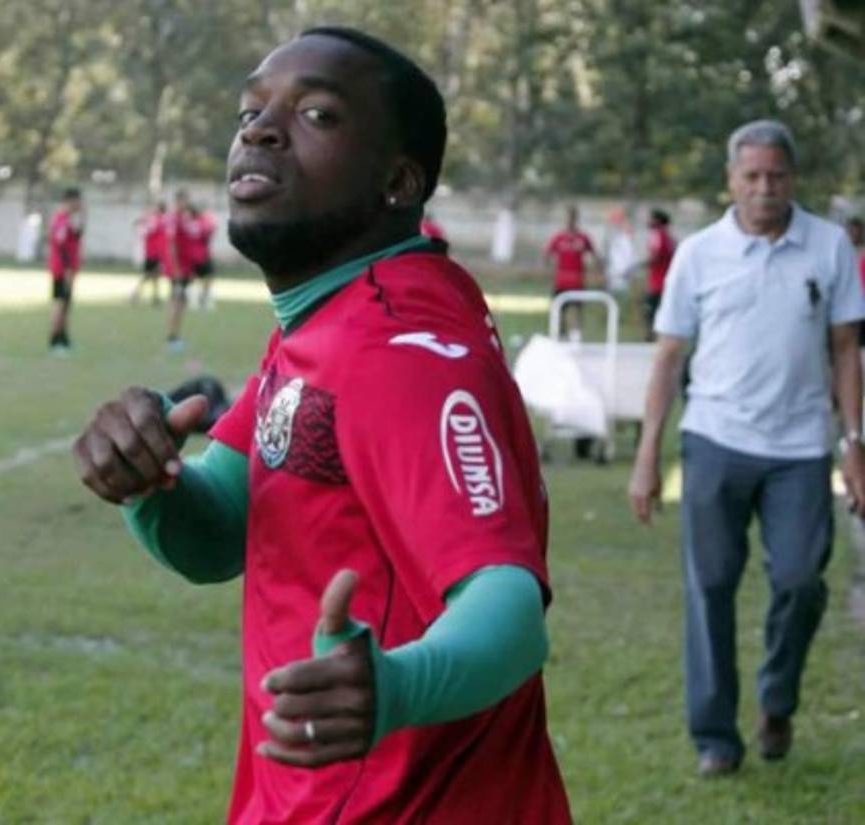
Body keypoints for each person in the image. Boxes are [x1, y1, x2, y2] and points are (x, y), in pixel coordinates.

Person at [72, 26, 570, 823]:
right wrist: (150, 481)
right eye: (251, 111)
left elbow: (507, 605)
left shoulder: (396, 346)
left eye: (319, 115)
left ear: (399, 180)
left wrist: (397, 686)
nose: (260, 129)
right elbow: (223, 526)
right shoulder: (328, 318)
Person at [627, 120, 865, 778]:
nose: (765, 189)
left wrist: (855, 443)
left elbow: (847, 348)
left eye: (777, 176)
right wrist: (649, 454)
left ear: (794, 179)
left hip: (801, 446)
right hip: (715, 439)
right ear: (731, 180)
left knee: (799, 578)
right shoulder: (699, 254)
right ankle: (716, 738)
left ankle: (777, 699)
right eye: (752, 177)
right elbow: (669, 355)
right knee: (710, 587)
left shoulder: (827, 247)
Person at [544, 205, 600, 339]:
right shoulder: (559, 237)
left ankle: (576, 335)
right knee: (558, 309)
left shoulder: (583, 238)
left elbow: (594, 255)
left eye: (572, 218)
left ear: (576, 219)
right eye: (568, 218)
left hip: (577, 281)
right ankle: (560, 334)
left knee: (577, 310)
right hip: (562, 281)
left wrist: (597, 271)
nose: (570, 221)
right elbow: (547, 254)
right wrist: (551, 270)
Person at [47, 188, 85, 353]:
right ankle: (55, 341)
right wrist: (68, 270)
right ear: (70, 201)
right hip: (62, 270)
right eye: (78, 201)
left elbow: (76, 236)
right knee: (60, 303)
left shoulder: (68, 219)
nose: (80, 205)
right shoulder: (61, 219)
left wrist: (84, 217)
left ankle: (64, 339)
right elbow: (61, 247)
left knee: (66, 305)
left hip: (68, 269)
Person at [162, 190, 193, 350]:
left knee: (181, 301)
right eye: (184, 200)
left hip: (185, 267)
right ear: (178, 201)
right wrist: (176, 269)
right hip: (178, 269)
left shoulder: (184, 218)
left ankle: (175, 335)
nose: (186, 204)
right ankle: (171, 337)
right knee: (177, 301)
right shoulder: (173, 219)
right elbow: (172, 245)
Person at [641, 208, 677, 341]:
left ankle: (652, 337)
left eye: (650, 218)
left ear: (656, 220)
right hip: (666, 281)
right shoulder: (670, 237)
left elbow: (655, 256)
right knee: (661, 310)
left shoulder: (658, 235)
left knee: (652, 310)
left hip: (659, 282)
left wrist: (638, 265)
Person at [130, 202, 167, 306]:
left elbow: (141, 226)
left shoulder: (157, 219)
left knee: (154, 275)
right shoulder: (157, 220)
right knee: (149, 275)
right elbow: (146, 229)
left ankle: (154, 297)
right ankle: (136, 295)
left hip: (157, 252)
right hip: (153, 253)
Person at [184, 203, 219, 310]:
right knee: (208, 277)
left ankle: (192, 300)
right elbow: (211, 231)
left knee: (191, 279)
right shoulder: (202, 222)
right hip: (201, 255)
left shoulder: (186, 224)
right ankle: (203, 299)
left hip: (190, 256)